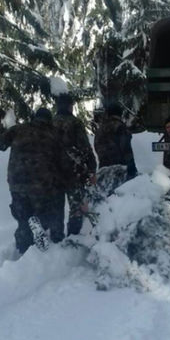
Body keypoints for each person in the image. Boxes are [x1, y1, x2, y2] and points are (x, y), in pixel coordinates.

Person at [0, 107, 74, 254]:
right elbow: (65, 163)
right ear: (49, 120)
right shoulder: (54, 134)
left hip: (17, 182)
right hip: (42, 184)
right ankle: (50, 238)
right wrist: (68, 184)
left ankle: (23, 249)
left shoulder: (18, 130)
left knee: (23, 218)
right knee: (49, 213)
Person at [53, 93, 97, 236]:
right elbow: (85, 148)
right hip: (73, 173)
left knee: (56, 208)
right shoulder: (75, 123)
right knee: (76, 208)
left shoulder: (49, 124)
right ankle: (73, 238)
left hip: (52, 174)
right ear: (70, 106)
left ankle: (56, 238)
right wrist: (91, 168)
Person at [93, 102, 138, 180]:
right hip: (120, 169)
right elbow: (126, 148)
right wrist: (132, 167)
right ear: (120, 114)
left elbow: (96, 147)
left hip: (103, 168)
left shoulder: (100, 129)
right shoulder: (120, 127)